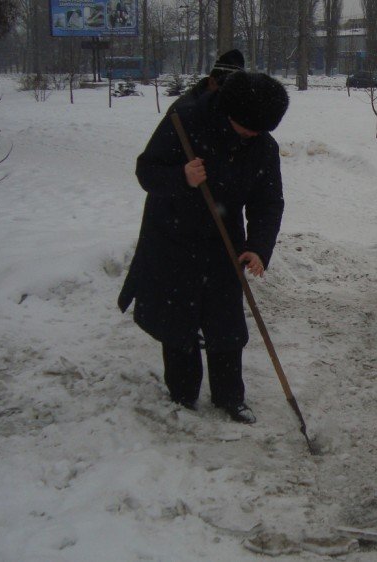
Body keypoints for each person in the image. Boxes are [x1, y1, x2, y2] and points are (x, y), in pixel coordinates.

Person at [118, 71, 289, 424]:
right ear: (230, 113)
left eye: (259, 131)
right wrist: (182, 177)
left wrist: (258, 247)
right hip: (173, 237)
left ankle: (230, 396)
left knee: (225, 322)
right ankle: (182, 393)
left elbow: (268, 202)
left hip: (224, 241)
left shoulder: (262, 145)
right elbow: (146, 171)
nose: (252, 136)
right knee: (178, 319)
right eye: (246, 128)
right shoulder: (186, 122)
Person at [172, 49, 245, 109]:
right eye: (229, 87)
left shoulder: (236, 107)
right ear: (212, 82)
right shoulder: (185, 112)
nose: (234, 93)